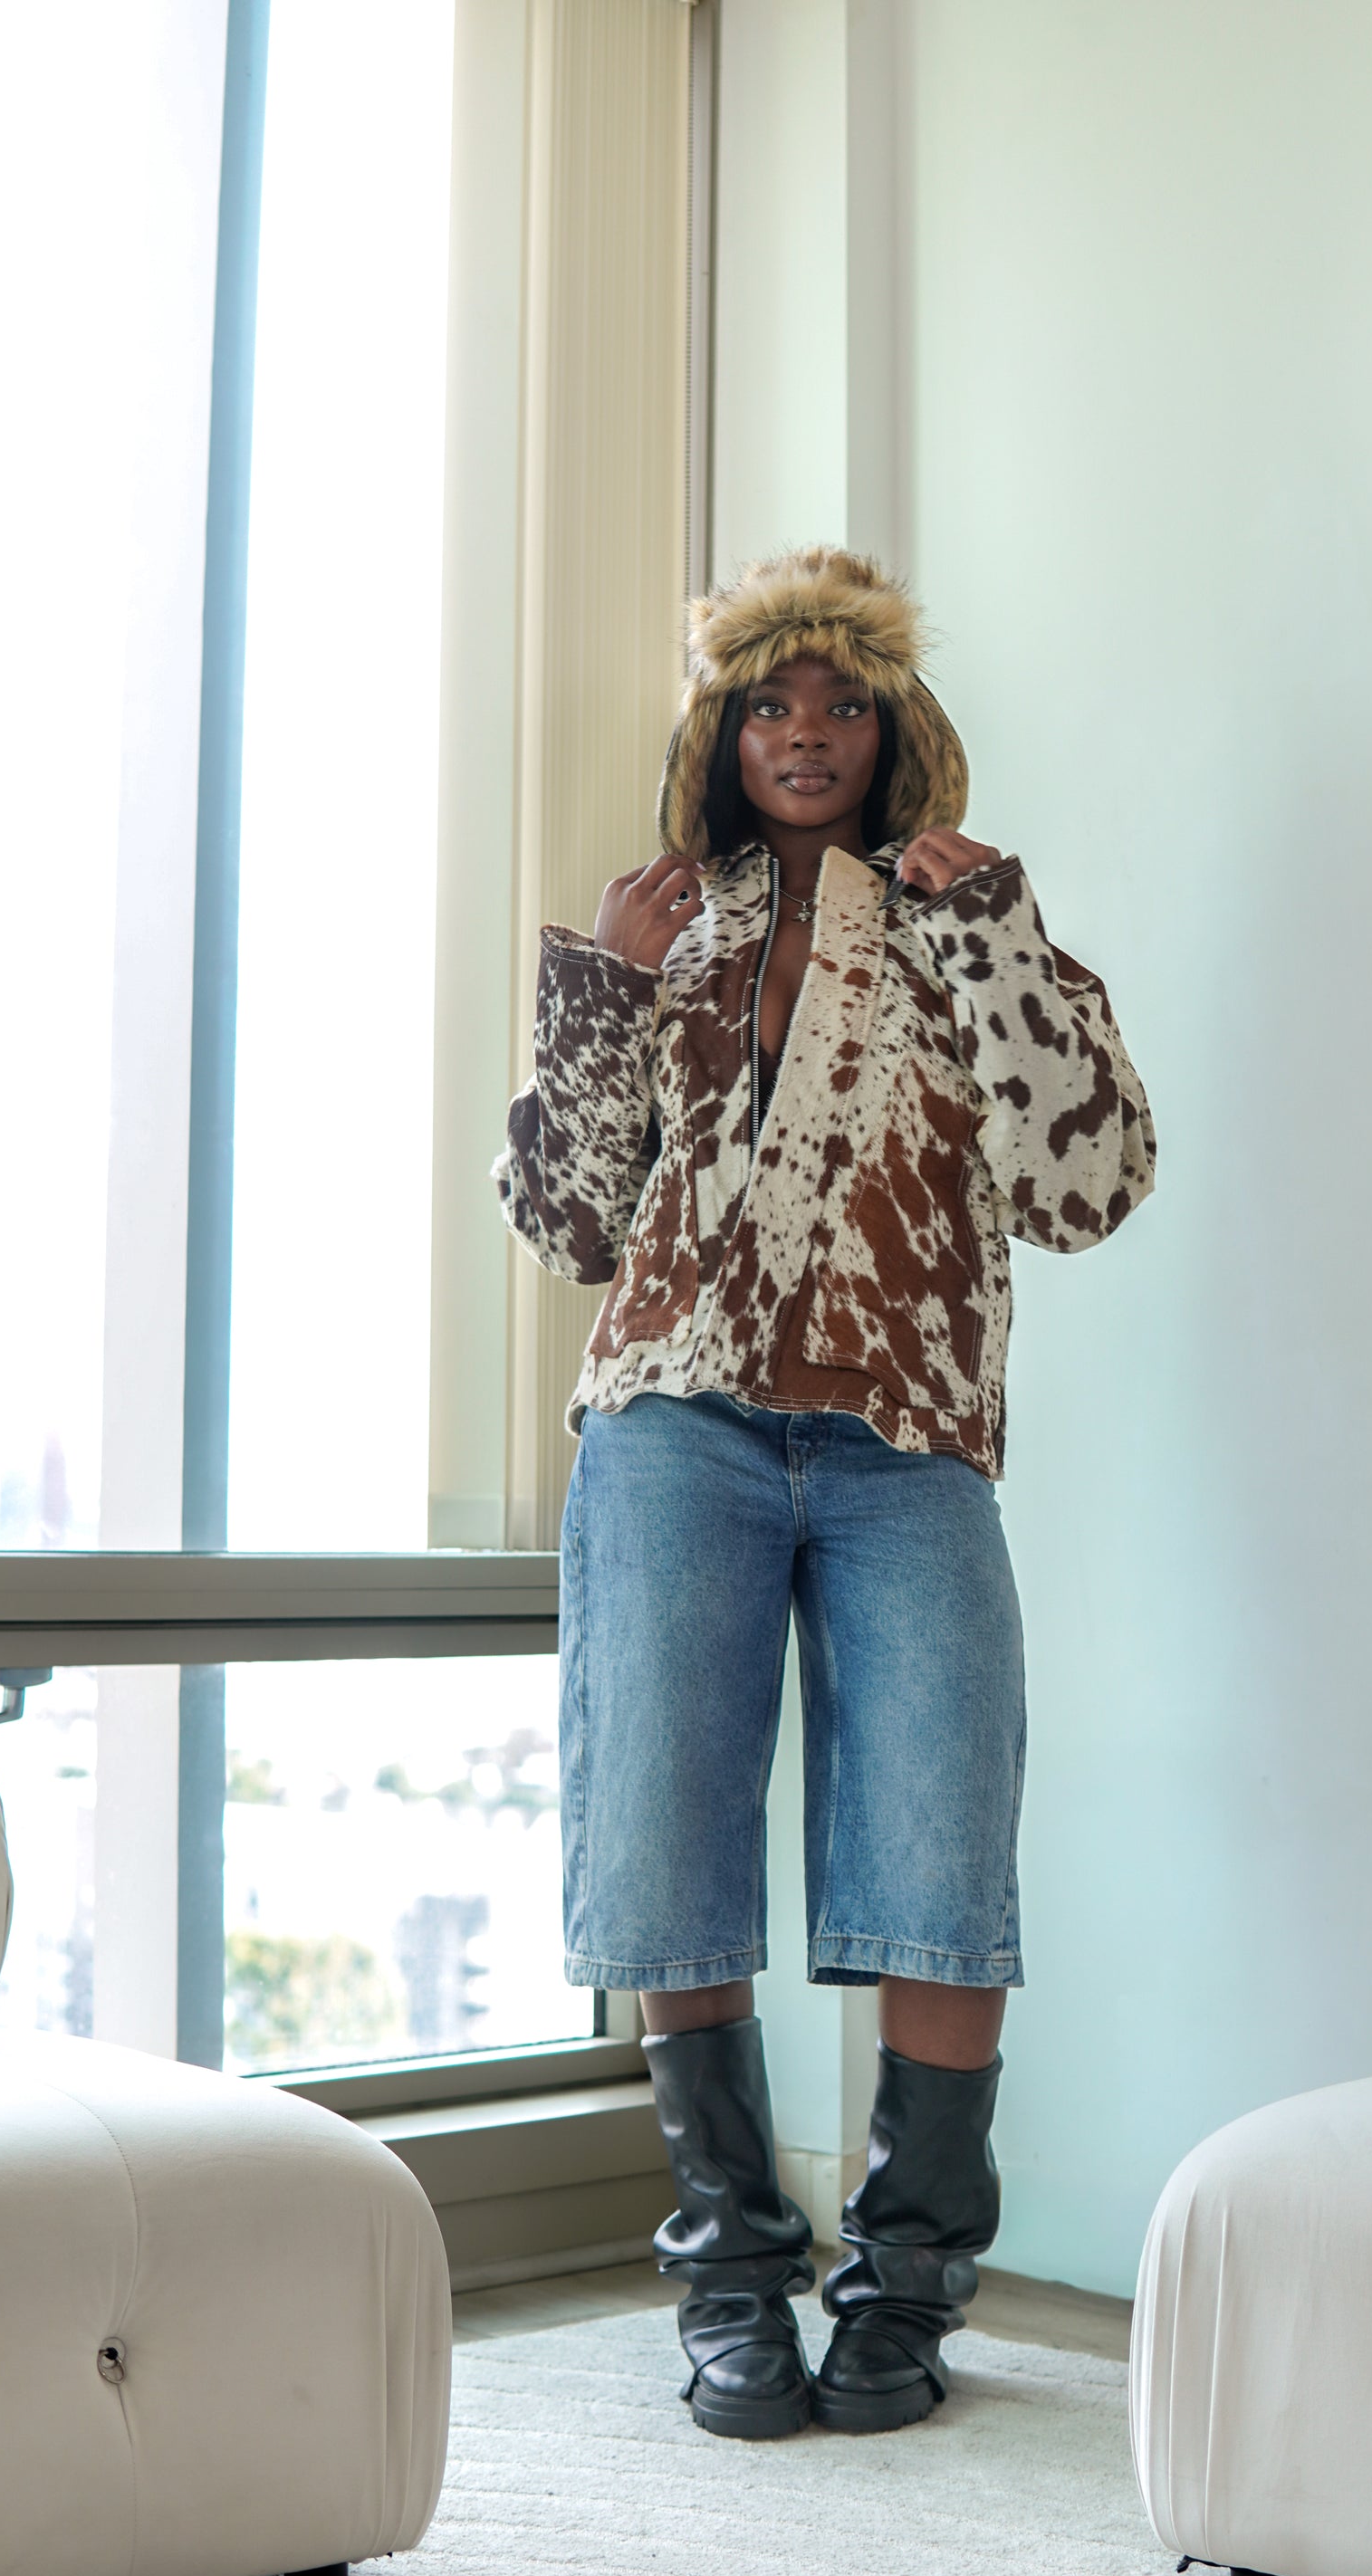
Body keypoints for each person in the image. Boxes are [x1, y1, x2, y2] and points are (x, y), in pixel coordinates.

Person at [494, 545, 1154, 2441]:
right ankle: (728, 2275)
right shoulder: (663, 926)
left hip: (902, 1438)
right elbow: (565, 1221)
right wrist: (601, 990)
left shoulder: (960, 923)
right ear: (721, 732)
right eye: (769, 703)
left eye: (842, 702)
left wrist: (1000, 935)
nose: (804, 734)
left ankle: (909, 2275)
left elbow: (1089, 1185)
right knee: (667, 1841)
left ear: (891, 728)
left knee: (940, 1847)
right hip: (671, 1428)